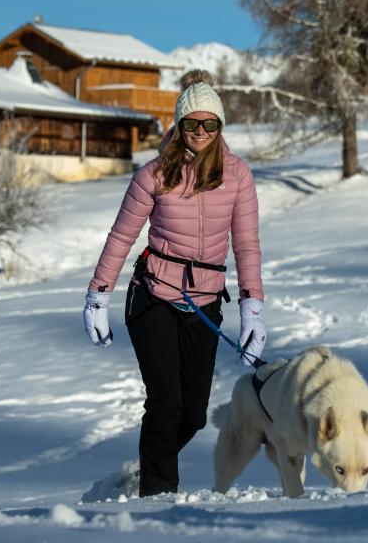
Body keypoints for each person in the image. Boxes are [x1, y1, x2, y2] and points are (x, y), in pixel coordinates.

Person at [82, 69, 267, 497]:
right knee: (165, 405)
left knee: (194, 416)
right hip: (153, 298)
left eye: (209, 124)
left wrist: (252, 306)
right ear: (178, 125)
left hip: (204, 302)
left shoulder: (237, 176)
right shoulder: (154, 174)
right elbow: (121, 236)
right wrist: (98, 295)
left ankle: (151, 463)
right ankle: (157, 500)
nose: (200, 132)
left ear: (220, 127)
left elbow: (247, 244)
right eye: (191, 123)